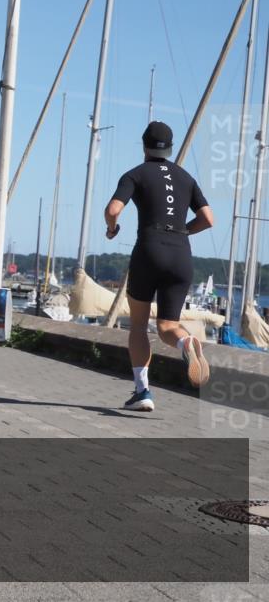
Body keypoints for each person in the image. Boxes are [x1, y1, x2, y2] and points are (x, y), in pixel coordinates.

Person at [105, 121, 214, 412]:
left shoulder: (135, 174)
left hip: (149, 250)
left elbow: (113, 209)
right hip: (181, 254)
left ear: (144, 146)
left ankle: (142, 392)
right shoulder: (186, 177)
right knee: (168, 325)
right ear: (171, 148)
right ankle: (185, 343)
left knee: (139, 325)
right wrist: (181, 233)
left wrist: (112, 228)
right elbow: (208, 218)